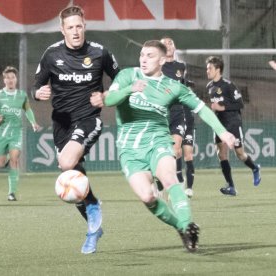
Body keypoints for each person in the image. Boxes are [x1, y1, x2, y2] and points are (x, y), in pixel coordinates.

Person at [90, 40, 236, 252]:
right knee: (147, 197)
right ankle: (180, 226)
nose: (143, 59)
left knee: (169, 178)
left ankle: (188, 225)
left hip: (158, 141)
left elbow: (202, 108)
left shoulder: (173, 87)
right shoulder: (127, 76)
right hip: (129, 148)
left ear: (162, 59)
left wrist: (223, 132)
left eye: (149, 55)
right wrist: (130, 89)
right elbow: (110, 99)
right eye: (142, 55)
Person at [33, 6, 120, 254]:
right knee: (71, 174)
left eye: (79, 26)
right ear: (62, 30)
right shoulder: (51, 54)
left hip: (88, 119)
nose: (75, 31)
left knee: (66, 163)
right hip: (61, 123)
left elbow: (121, 80)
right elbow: (36, 86)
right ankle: (93, 227)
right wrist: (38, 93)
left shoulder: (99, 53)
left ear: (85, 26)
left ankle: (92, 207)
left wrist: (106, 96)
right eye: (70, 27)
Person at [206, 56, 261, 196]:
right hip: (219, 125)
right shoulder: (209, 87)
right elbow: (215, 106)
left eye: (210, 68)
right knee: (221, 154)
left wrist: (221, 107)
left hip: (233, 123)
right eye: (207, 68)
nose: (207, 71)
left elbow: (240, 104)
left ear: (218, 69)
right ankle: (231, 186)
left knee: (240, 154)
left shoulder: (228, 85)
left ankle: (255, 168)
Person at [0, 66, 40, 201]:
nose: (10, 80)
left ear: (16, 79)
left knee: (15, 158)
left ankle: (12, 193)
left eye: (12, 77)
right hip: (1, 133)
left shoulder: (22, 95)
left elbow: (27, 110)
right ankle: (7, 158)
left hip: (16, 132)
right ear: (4, 80)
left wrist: (33, 122)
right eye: (7, 78)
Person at [160, 36, 196, 198]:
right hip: (161, 113)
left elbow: (183, 86)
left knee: (176, 150)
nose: (168, 45)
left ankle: (177, 184)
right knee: (162, 152)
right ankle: (160, 184)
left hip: (177, 112)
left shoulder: (181, 66)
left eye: (171, 43)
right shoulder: (157, 66)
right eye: (165, 43)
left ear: (174, 48)